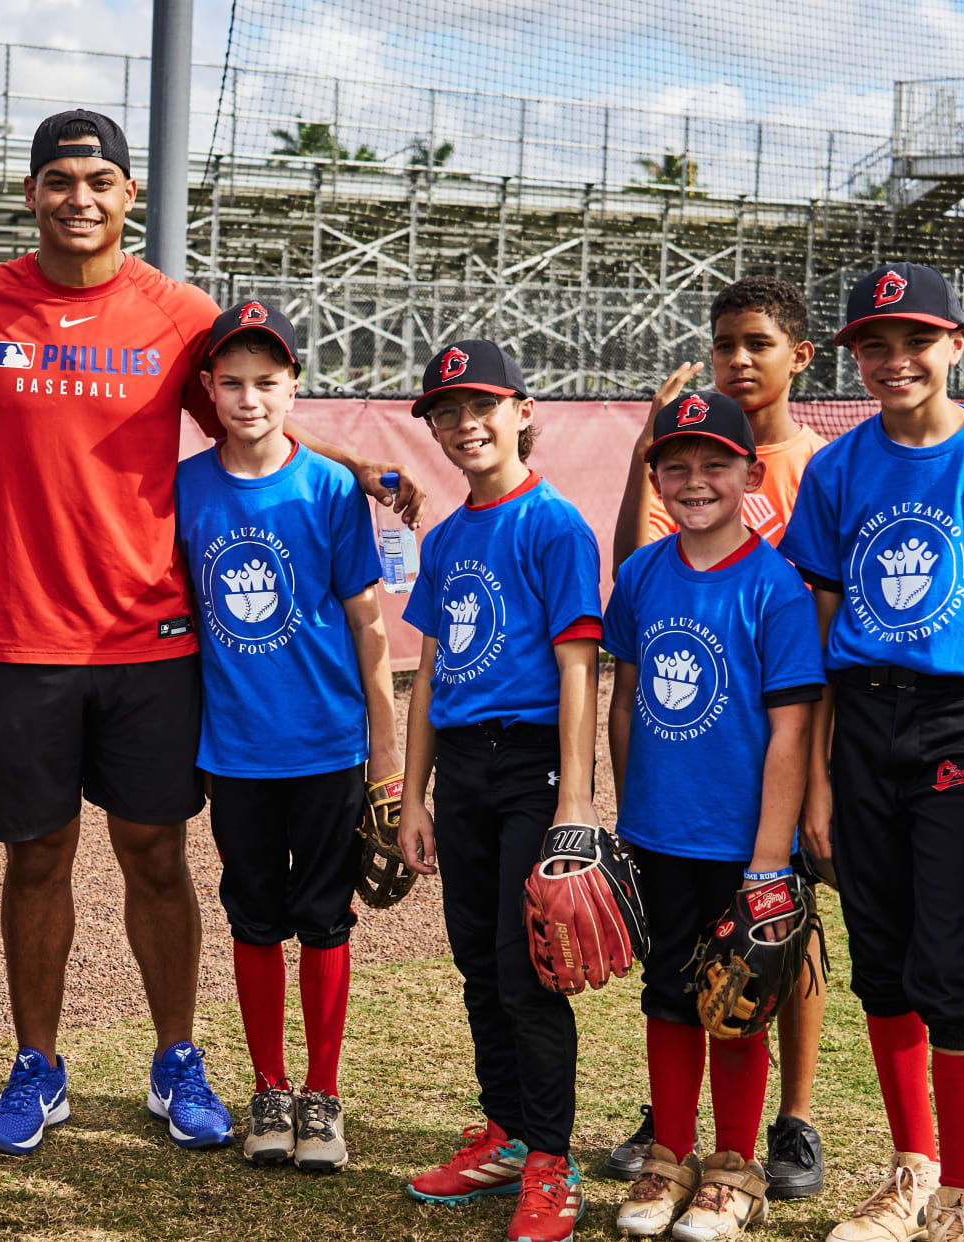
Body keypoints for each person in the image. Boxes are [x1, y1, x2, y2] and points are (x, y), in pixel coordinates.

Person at [0, 108, 419, 1155]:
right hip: (21, 641)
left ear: (130, 195)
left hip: (151, 638)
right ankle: (38, 1067)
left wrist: (353, 466)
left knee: (155, 854)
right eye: (58, 180)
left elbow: (254, 420)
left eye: (100, 181)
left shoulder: (180, 313)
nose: (79, 198)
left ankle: (178, 1061)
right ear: (30, 193)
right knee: (36, 861)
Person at [780, 263, 964, 1242]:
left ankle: (963, 1201)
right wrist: (815, 780)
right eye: (876, 345)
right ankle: (911, 1172)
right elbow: (816, 627)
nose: (896, 361)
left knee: (949, 966)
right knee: (880, 963)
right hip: (862, 724)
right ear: (854, 357)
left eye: (916, 341)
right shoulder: (840, 467)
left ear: (957, 348)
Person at [604, 275, 832, 1201]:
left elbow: (806, 672)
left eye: (759, 344)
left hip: (769, 770)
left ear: (799, 358)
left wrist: (801, 810)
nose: (740, 359)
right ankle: (674, 1133)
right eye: (725, 342)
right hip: (672, 793)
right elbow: (627, 659)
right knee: (680, 978)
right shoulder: (663, 541)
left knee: (770, 954)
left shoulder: (819, 469)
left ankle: (783, 1124)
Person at [175, 301, 399, 1172]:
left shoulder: (332, 489)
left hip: (328, 743)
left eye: (266, 382)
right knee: (255, 912)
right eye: (231, 383)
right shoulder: (188, 487)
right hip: (235, 748)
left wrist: (385, 754)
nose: (248, 398)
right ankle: (268, 1089)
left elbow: (369, 625)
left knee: (326, 916)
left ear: (294, 387)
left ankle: (322, 1094)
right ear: (209, 390)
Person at [392, 340, 601, 1242]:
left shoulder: (555, 525)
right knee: (479, 960)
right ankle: (507, 1134)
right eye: (446, 411)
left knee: (528, 972)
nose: (464, 424)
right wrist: (411, 797)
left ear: (522, 409)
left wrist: (576, 803)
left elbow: (579, 667)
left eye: (481, 405)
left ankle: (553, 1163)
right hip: (467, 767)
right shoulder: (444, 539)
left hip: (532, 765)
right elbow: (430, 674)